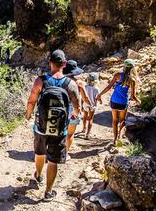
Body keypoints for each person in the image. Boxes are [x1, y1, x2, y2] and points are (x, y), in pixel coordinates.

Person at [26, 50, 81, 201]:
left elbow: (31, 101)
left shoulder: (41, 80)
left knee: (39, 153)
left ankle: (38, 175)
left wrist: (28, 114)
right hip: (60, 128)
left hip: (41, 125)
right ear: (64, 64)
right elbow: (77, 104)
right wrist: (75, 114)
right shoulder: (70, 84)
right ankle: (48, 192)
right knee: (53, 161)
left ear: (50, 62)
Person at [96, 59, 141, 145]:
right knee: (122, 120)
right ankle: (120, 135)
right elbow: (132, 96)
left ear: (124, 66)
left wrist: (100, 95)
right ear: (132, 68)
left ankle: (115, 139)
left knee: (114, 120)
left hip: (114, 100)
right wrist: (138, 100)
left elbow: (108, 87)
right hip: (123, 102)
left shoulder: (117, 75)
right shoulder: (132, 80)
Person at [63, 60, 93, 156]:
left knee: (59, 132)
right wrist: (90, 105)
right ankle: (65, 153)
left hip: (61, 108)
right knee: (70, 133)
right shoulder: (79, 83)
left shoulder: (60, 80)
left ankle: (54, 151)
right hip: (74, 110)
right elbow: (85, 97)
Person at [82, 73, 100, 139]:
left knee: (84, 116)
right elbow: (98, 97)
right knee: (90, 119)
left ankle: (84, 128)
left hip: (85, 104)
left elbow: (83, 96)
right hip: (92, 105)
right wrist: (100, 101)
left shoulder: (85, 87)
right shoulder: (96, 89)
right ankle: (88, 134)